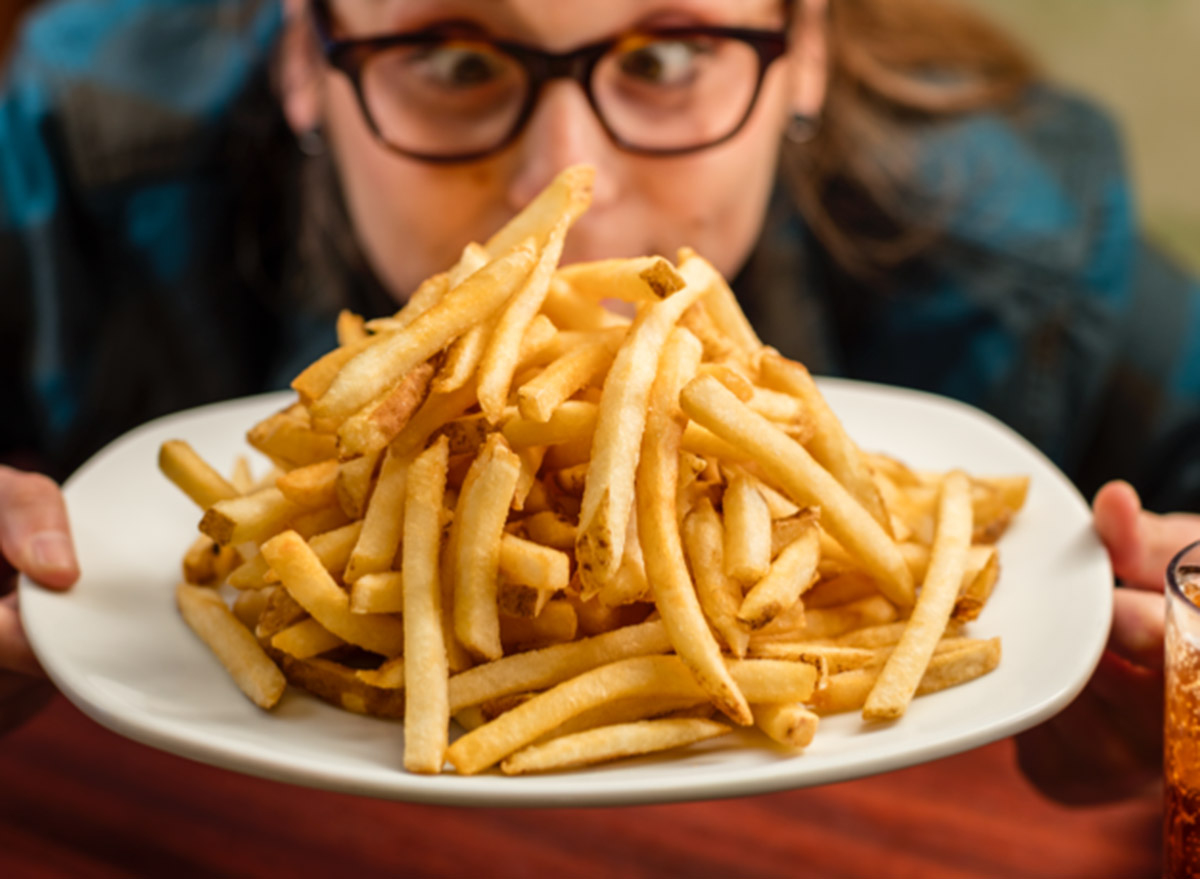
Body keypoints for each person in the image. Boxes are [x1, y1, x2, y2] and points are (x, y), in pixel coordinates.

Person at [2, 0, 1198, 800]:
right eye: (458, 60)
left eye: (667, 56)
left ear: (807, 45)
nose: (572, 183)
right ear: (305, 58)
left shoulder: (1025, 237)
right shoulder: (72, 159)